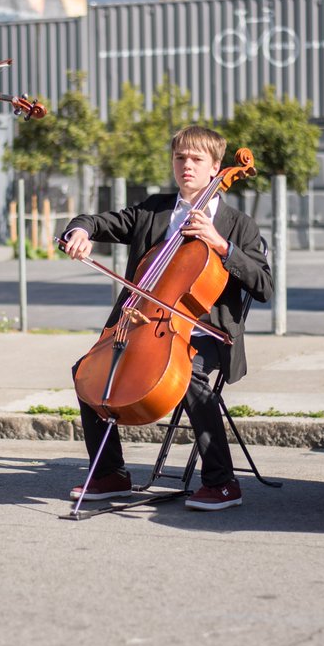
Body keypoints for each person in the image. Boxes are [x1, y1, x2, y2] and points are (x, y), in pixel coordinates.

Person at [61, 126, 273, 511]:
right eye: (180, 158)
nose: (186, 166)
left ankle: (223, 482)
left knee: (189, 373)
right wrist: (79, 231)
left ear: (215, 168)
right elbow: (95, 221)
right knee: (86, 370)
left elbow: (263, 285)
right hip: (144, 324)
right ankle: (109, 473)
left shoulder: (238, 225)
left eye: (196, 159)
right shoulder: (154, 210)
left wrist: (222, 246)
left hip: (208, 333)